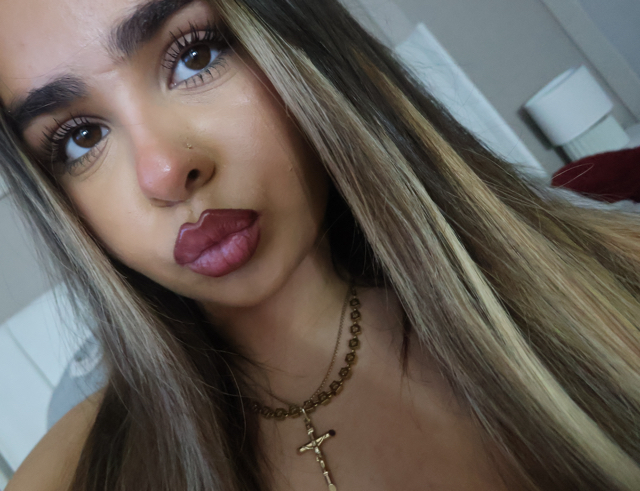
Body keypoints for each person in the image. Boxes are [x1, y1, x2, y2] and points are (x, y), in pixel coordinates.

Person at [1, 0, 639, 490]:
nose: (165, 171)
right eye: (80, 137)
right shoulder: (68, 475)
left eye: (195, 55)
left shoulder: (613, 280)